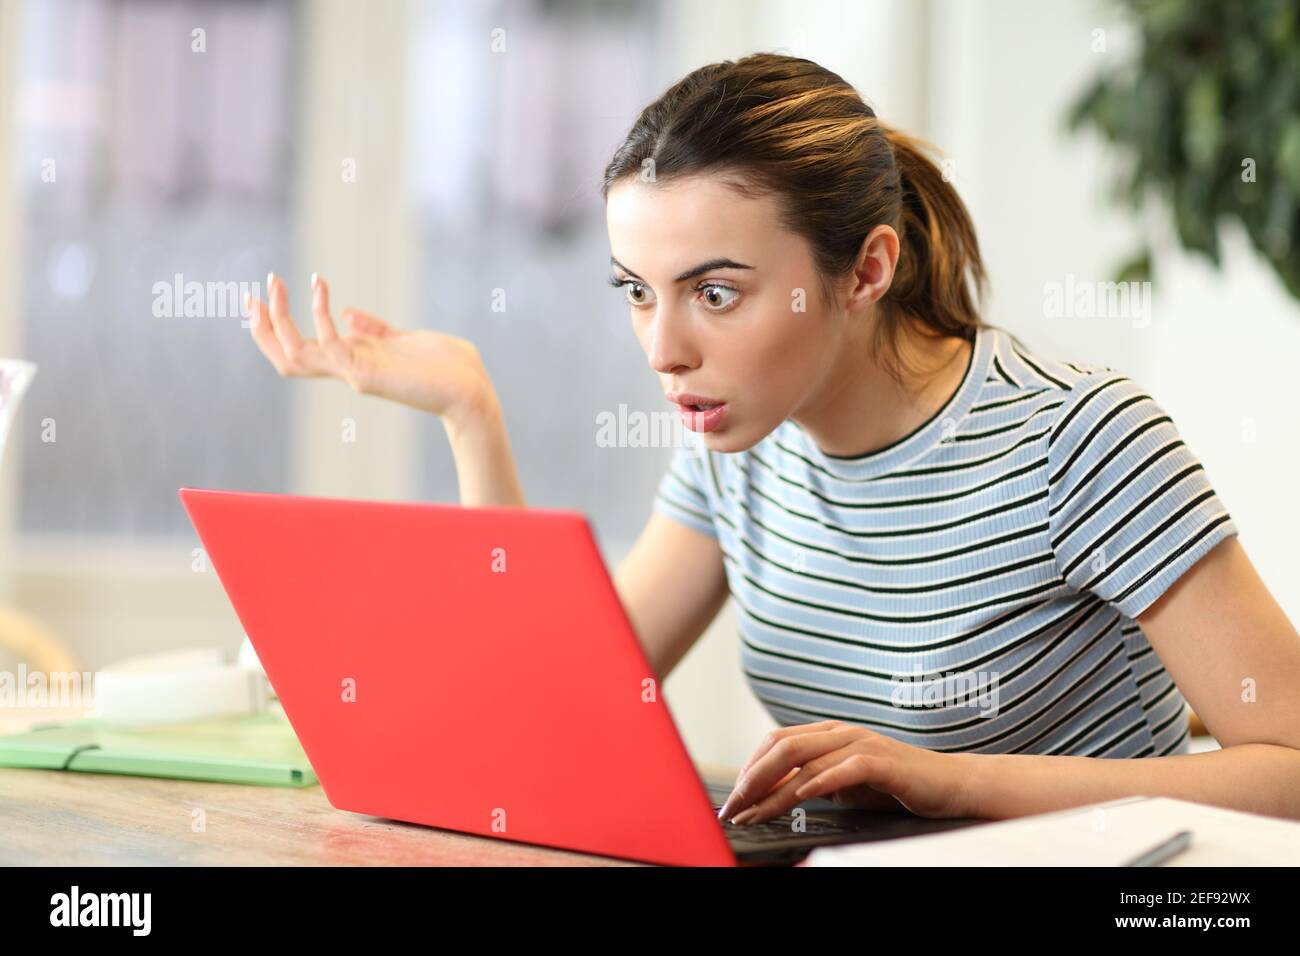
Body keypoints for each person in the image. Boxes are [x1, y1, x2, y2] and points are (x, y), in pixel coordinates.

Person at [245, 52, 1300, 826]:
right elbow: (551, 715)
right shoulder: (733, 446)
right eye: (636, 292)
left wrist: (954, 776)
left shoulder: (1081, 440)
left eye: (715, 291)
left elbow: (1288, 765)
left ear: (865, 269)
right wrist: (471, 412)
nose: (664, 347)